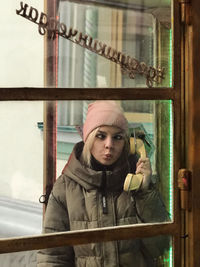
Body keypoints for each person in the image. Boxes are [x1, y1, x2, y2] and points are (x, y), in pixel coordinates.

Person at [37, 101, 170, 267]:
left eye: (117, 137)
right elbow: (52, 257)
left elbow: (161, 246)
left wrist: (144, 193)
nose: (109, 144)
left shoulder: (137, 184)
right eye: (101, 136)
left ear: (127, 144)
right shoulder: (65, 188)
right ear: (89, 138)